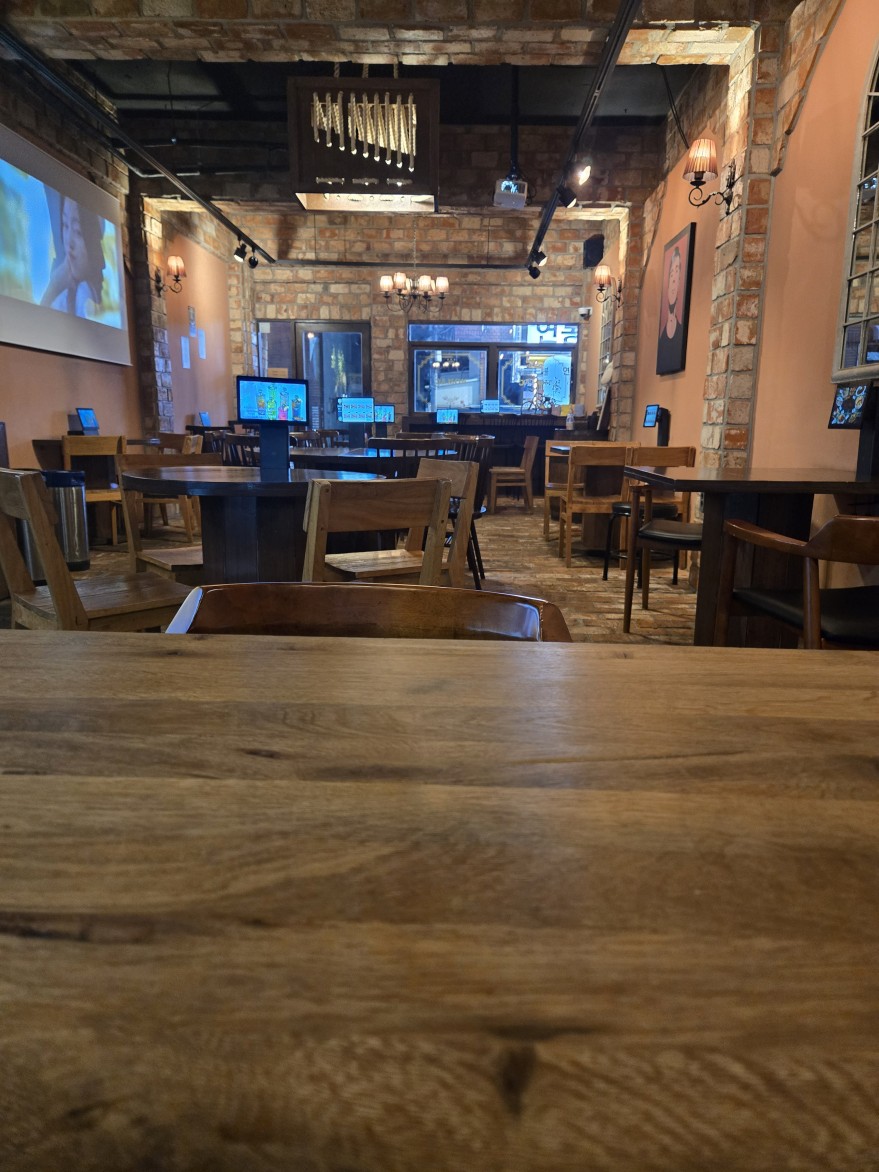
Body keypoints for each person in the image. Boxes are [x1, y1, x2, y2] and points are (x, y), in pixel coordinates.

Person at [40, 196, 105, 320]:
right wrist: (54, 285)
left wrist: (54, 287)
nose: (69, 242)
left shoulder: (84, 293)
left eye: (78, 231)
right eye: (65, 225)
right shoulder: (66, 296)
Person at [656, 244, 685, 375]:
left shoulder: (680, 331)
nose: (673, 280)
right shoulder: (661, 339)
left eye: (677, 273)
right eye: (671, 274)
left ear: (679, 281)